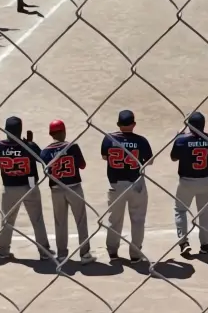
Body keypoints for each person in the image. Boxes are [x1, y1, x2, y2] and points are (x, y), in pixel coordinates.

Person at [0, 116, 53, 260]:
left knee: (7, 220)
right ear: (20, 131)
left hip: (9, 187)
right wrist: (30, 143)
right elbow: (42, 158)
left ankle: (3, 250)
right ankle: (44, 251)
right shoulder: (29, 147)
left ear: (6, 130)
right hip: (29, 186)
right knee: (37, 219)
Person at [40, 120, 95, 264]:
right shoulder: (72, 146)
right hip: (74, 188)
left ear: (51, 134)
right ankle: (85, 254)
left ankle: (62, 255)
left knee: (60, 222)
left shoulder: (45, 151)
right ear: (64, 131)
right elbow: (82, 165)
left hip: (56, 190)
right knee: (81, 221)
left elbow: (47, 171)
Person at [101, 110, 153, 262]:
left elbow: (105, 157)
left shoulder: (109, 139)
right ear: (134, 124)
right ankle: (135, 254)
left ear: (118, 124)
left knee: (114, 219)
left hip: (115, 184)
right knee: (138, 219)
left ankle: (112, 252)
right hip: (136, 183)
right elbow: (149, 161)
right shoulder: (141, 141)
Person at [170, 112, 208, 255]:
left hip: (187, 181)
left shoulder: (182, 140)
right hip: (207, 181)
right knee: (204, 213)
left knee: (180, 210)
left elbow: (174, 158)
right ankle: (205, 244)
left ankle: (183, 242)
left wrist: (178, 137)